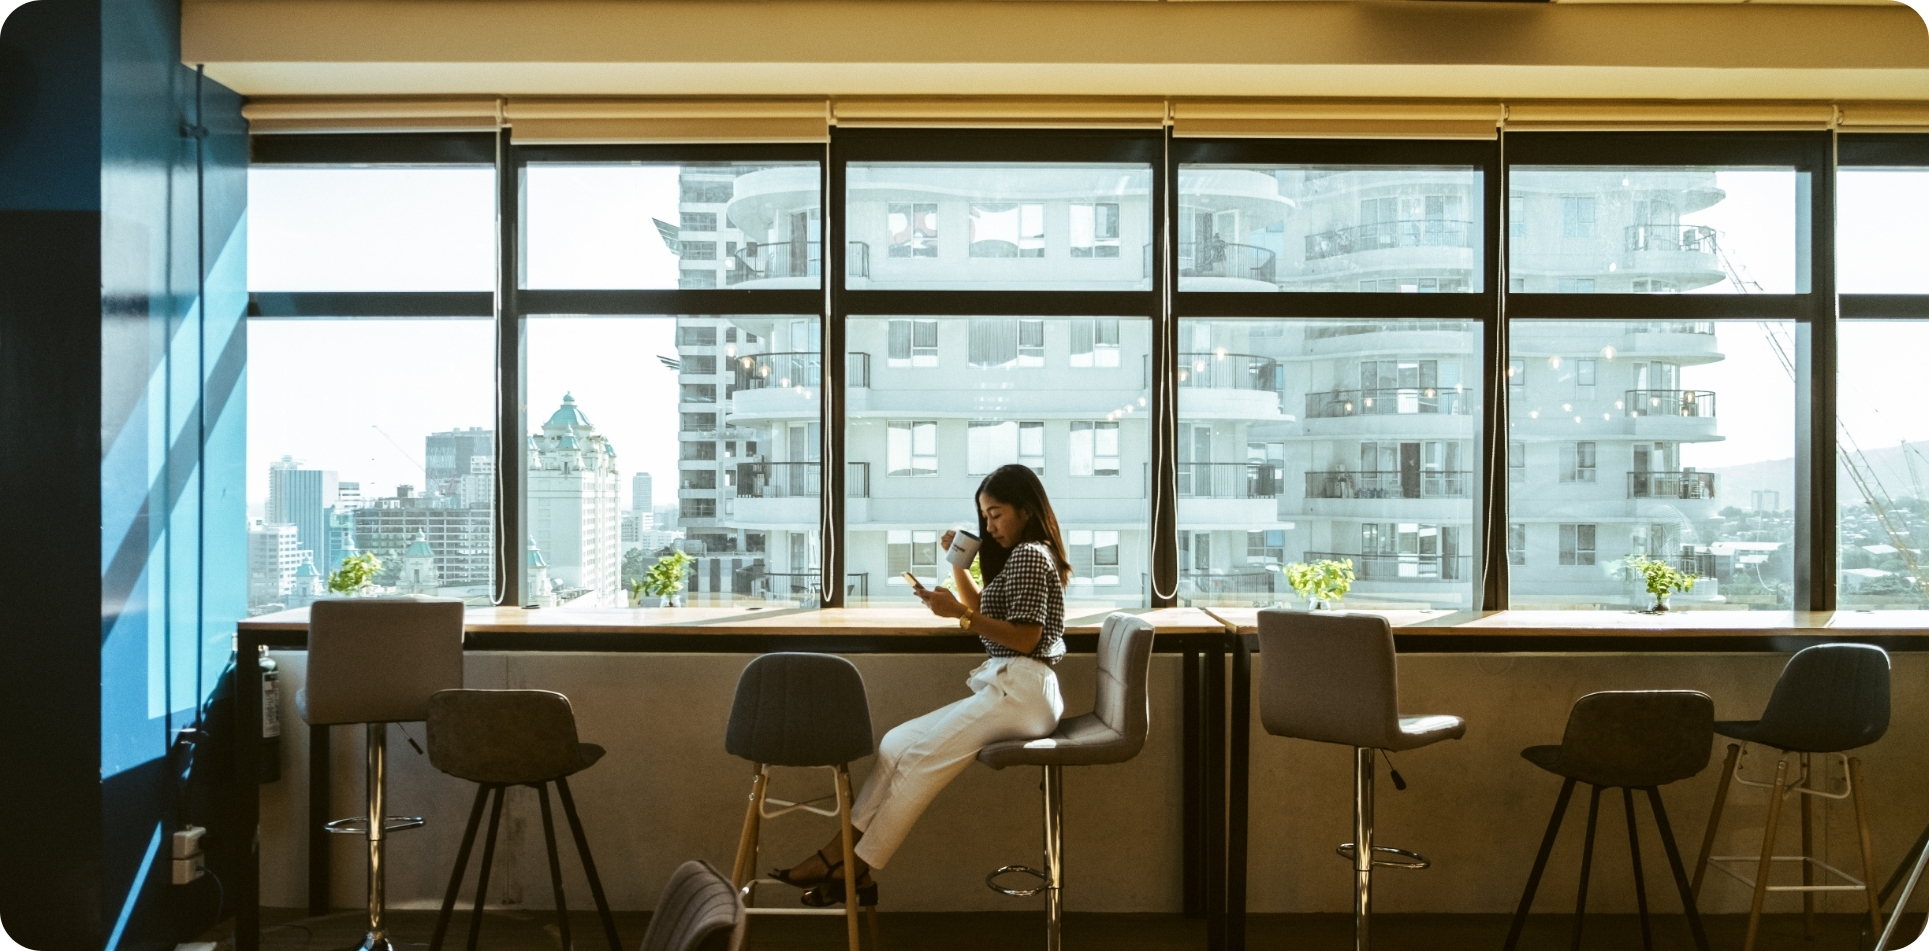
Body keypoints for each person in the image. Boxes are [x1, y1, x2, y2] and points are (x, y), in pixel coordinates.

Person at [769, 464, 1070, 908]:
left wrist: (962, 616)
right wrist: (958, 569)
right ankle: (842, 861)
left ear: (1025, 511)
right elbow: (982, 607)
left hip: (1024, 690)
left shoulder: (1031, 554)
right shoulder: (1023, 556)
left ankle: (852, 868)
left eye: (996, 514)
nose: (989, 526)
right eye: (984, 517)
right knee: (896, 744)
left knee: (919, 762)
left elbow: (1024, 636)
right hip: (1012, 688)